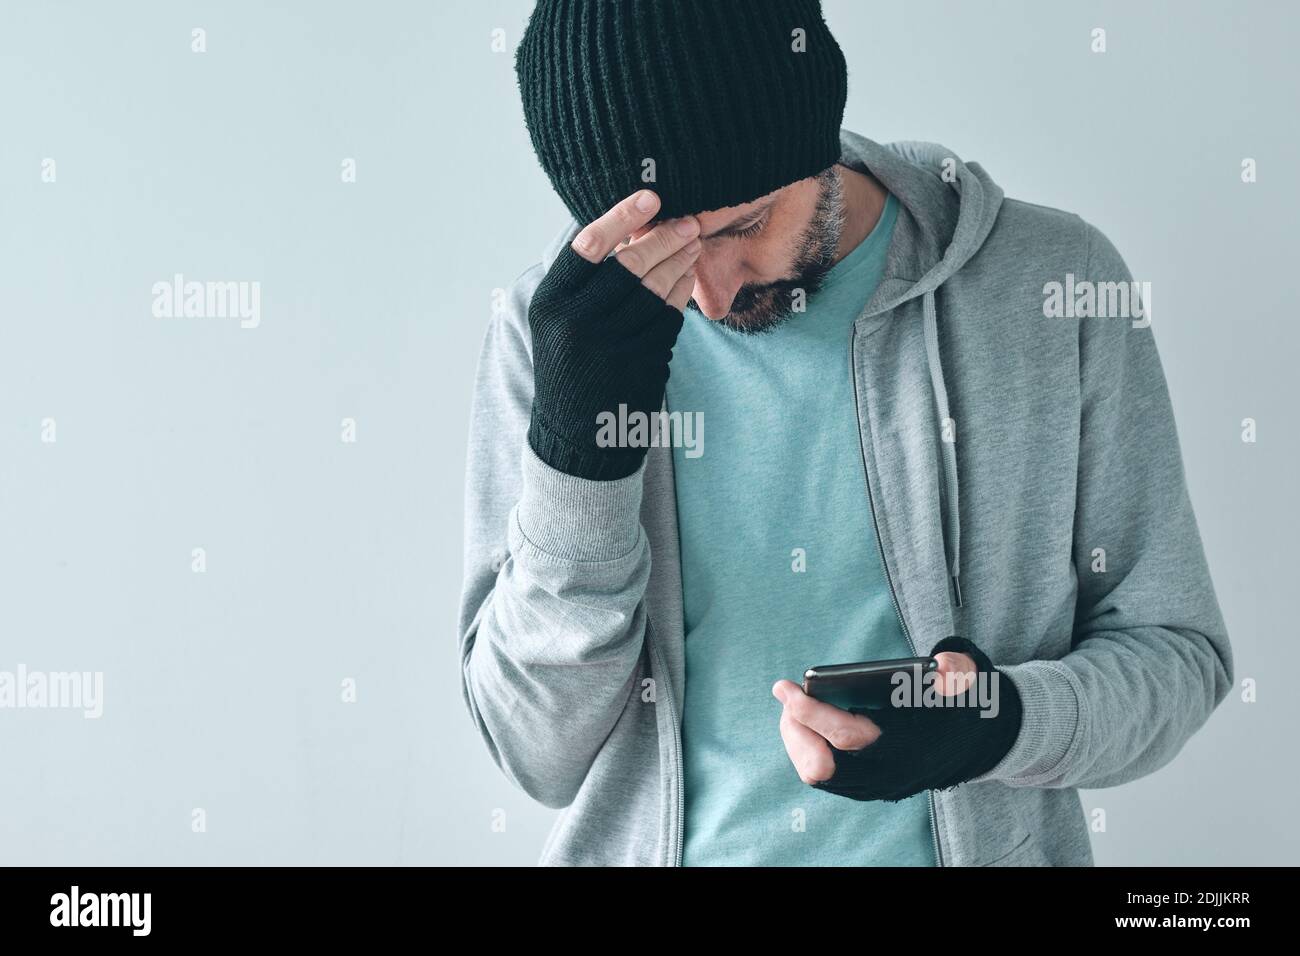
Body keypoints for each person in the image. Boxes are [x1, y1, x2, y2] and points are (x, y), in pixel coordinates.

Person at [457, 0, 1232, 866]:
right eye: (657, 246)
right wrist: (580, 471)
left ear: (813, 135)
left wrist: (999, 726)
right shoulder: (555, 335)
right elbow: (535, 752)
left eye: (742, 226)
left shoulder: (1054, 284)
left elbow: (1177, 656)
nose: (707, 296)